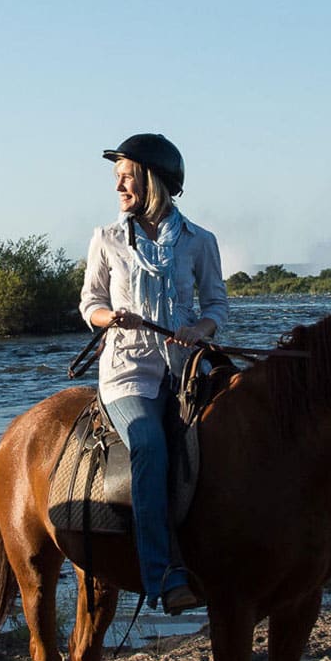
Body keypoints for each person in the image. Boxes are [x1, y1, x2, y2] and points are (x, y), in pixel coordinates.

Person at [79, 133, 228, 614]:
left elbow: (217, 305)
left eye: (126, 176)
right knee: (147, 442)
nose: (119, 186)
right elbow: (91, 303)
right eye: (117, 178)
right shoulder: (105, 240)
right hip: (128, 373)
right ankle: (162, 574)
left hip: (186, 369)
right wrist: (109, 318)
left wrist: (199, 329)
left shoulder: (200, 242)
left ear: (151, 181)